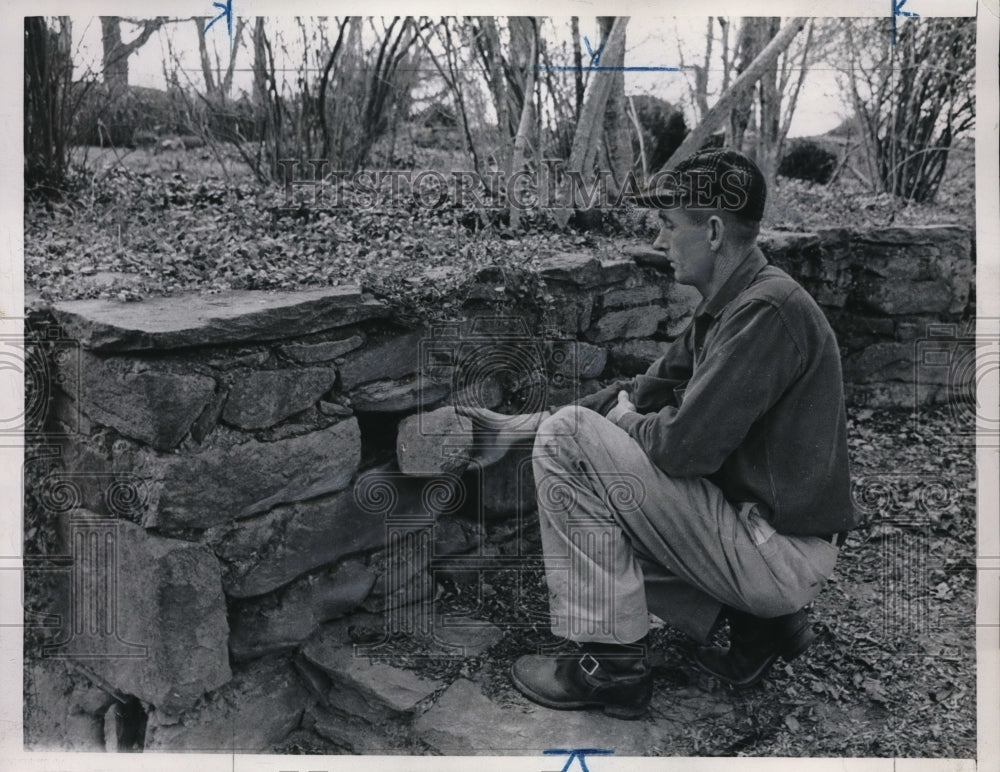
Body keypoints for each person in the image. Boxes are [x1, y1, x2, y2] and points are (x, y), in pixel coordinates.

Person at [459, 148, 856, 719]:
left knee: (572, 443)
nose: (662, 240)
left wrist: (607, 424)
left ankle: (611, 670)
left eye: (670, 226)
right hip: (763, 541)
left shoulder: (767, 310)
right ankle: (759, 626)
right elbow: (639, 393)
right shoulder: (730, 305)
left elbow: (680, 447)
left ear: (714, 231)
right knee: (575, 442)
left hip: (780, 553)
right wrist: (520, 427)